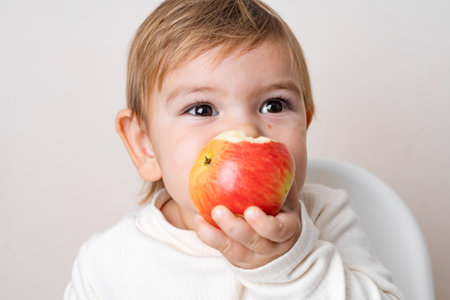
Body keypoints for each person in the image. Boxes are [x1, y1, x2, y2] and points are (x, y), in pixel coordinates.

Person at [64, 0, 403, 299]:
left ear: (305, 124)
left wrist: (291, 265)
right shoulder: (107, 263)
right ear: (145, 145)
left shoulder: (325, 216)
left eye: (274, 105)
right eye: (202, 109)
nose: (245, 132)